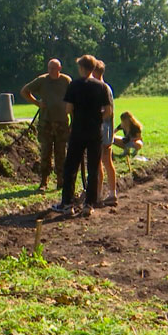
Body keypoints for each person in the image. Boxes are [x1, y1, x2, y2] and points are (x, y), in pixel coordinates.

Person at [52, 55, 111, 217]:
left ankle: (67, 204)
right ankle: (89, 204)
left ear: (82, 68)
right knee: (93, 168)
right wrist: (97, 117)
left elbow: (68, 108)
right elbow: (108, 110)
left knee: (71, 167)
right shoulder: (101, 86)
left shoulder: (74, 85)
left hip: (78, 131)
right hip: (94, 132)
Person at [20, 59, 72, 192]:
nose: (51, 71)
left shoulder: (66, 81)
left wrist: (73, 120)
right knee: (45, 152)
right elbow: (24, 91)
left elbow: (72, 101)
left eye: (54, 68)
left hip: (62, 122)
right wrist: (37, 103)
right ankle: (44, 181)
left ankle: (61, 179)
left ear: (59, 68)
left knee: (61, 152)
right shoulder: (42, 80)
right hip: (46, 123)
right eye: (49, 68)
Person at [93, 60, 117, 207]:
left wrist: (94, 119)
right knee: (100, 161)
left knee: (104, 160)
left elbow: (108, 111)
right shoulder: (102, 88)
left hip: (104, 128)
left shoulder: (103, 89)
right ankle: (100, 193)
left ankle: (109, 193)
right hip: (103, 128)